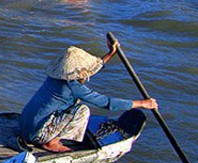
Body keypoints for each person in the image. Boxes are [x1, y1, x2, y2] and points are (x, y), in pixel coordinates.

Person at [19, 39, 158, 153]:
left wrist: (110, 53)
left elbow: (89, 71)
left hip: (24, 125)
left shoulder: (54, 78)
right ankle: (51, 142)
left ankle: (50, 137)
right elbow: (106, 103)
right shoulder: (72, 86)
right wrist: (142, 103)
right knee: (82, 110)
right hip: (36, 134)